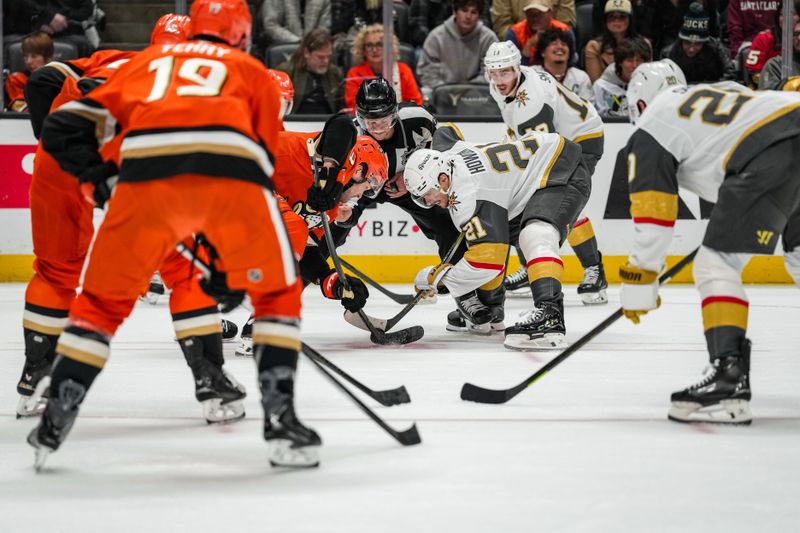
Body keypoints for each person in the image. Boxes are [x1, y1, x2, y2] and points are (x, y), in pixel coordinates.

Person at [31, 0, 322, 469]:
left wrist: (104, 182)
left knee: (99, 308)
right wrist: (228, 262)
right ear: (242, 35)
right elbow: (258, 165)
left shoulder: (143, 65)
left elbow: (63, 126)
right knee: (277, 295)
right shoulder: (254, 73)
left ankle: (54, 419)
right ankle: (281, 421)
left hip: (143, 187)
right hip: (229, 186)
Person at [622, 60, 800, 425]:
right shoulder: (715, 92)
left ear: (639, 103)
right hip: (785, 130)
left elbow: (654, 215)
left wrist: (640, 278)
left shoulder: (652, 124)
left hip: (773, 148)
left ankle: (727, 375)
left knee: (716, 263)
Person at [404, 129, 592, 350]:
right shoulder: (446, 153)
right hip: (528, 179)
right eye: (421, 199)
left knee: (535, 234)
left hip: (560, 168)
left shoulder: (470, 195)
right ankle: (491, 309)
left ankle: (550, 318)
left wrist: (439, 279)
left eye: (427, 194)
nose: (428, 202)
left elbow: (488, 263)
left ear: (443, 180)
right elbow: (446, 132)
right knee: (487, 239)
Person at [483, 41, 609, 305]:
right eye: (493, 73)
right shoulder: (503, 84)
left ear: (516, 68)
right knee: (526, 205)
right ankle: (530, 268)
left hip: (581, 138)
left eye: (504, 72)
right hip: (557, 135)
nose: (498, 80)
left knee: (564, 203)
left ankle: (594, 270)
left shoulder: (533, 101)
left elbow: (543, 149)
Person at [417, 0, 499, 93]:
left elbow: (491, 74)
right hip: (441, 93)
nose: (468, 16)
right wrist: (446, 91)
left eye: (473, 12)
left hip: (476, 94)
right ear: (454, 12)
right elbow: (428, 73)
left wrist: (466, 91)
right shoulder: (436, 37)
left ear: (479, 16)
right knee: (426, 92)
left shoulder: (489, 39)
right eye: (464, 10)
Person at [344, 24, 423, 109]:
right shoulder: (354, 74)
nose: (374, 50)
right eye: (369, 45)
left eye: (379, 44)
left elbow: (416, 104)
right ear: (363, 50)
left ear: (389, 48)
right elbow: (354, 107)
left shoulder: (403, 70)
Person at [662, 3, 735, 83]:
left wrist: (715, 87)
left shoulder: (717, 49)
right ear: (682, 40)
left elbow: (730, 73)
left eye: (697, 44)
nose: (691, 49)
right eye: (687, 43)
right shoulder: (668, 54)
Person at [276, 28, 344, 114]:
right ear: (306, 53)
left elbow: (341, 104)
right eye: (320, 57)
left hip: (327, 120)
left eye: (329, 56)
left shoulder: (335, 73)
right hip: (296, 120)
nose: (326, 61)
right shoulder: (286, 73)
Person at [585, 0, 652, 83]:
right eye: (611, 16)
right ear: (605, 20)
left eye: (622, 17)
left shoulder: (645, 43)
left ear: (630, 20)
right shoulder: (594, 46)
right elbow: (596, 83)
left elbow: (648, 77)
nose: (616, 20)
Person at [593, 35, 651, 117]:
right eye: (629, 60)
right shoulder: (601, 86)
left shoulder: (651, 85)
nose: (634, 65)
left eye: (639, 60)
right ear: (620, 62)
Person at [506, 0, 577, 66]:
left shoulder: (564, 30)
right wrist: (529, 45)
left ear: (550, 14)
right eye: (531, 14)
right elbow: (515, 68)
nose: (535, 18)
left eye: (540, 14)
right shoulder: (515, 33)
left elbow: (571, 62)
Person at [745, 0, 799, 86]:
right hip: (767, 89)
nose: (786, 18)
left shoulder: (797, 41)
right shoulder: (764, 38)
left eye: (792, 14)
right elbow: (753, 74)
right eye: (782, 14)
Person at [533, 27, 593, 101]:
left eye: (564, 44)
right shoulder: (531, 75)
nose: (560, 47)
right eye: (554, 43)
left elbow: (587, 105)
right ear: (542, 52)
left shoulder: (581, 77)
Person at [409, 0, 494, 48]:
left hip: (472, 43)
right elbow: (418, 27)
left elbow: (484, 23)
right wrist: (439, 43)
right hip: (435, 43)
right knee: (420, 54)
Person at [4, 31, 53, 112]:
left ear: (48, 58)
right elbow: (21, 109)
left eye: (34, 56)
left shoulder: (59, 79)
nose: (28, 61)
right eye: (25, 56)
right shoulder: (16, 80)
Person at [758, 10, 800, 89]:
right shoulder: (775, 65)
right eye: (796, 34)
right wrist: (787, 86)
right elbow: (766, 93)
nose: (799, 38)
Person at [261, 0, 331, 45]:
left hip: (314, 48)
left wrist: (312, 42)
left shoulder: (323, 1)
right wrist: (296, 41)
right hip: (284, 46)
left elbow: (324, 28)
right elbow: (271, 25)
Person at [492, 0, 577, 38]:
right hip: (518, 44)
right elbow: (501, 27)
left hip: (553, 42)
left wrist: (546, 41)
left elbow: (566, 24)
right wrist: (525, 39)